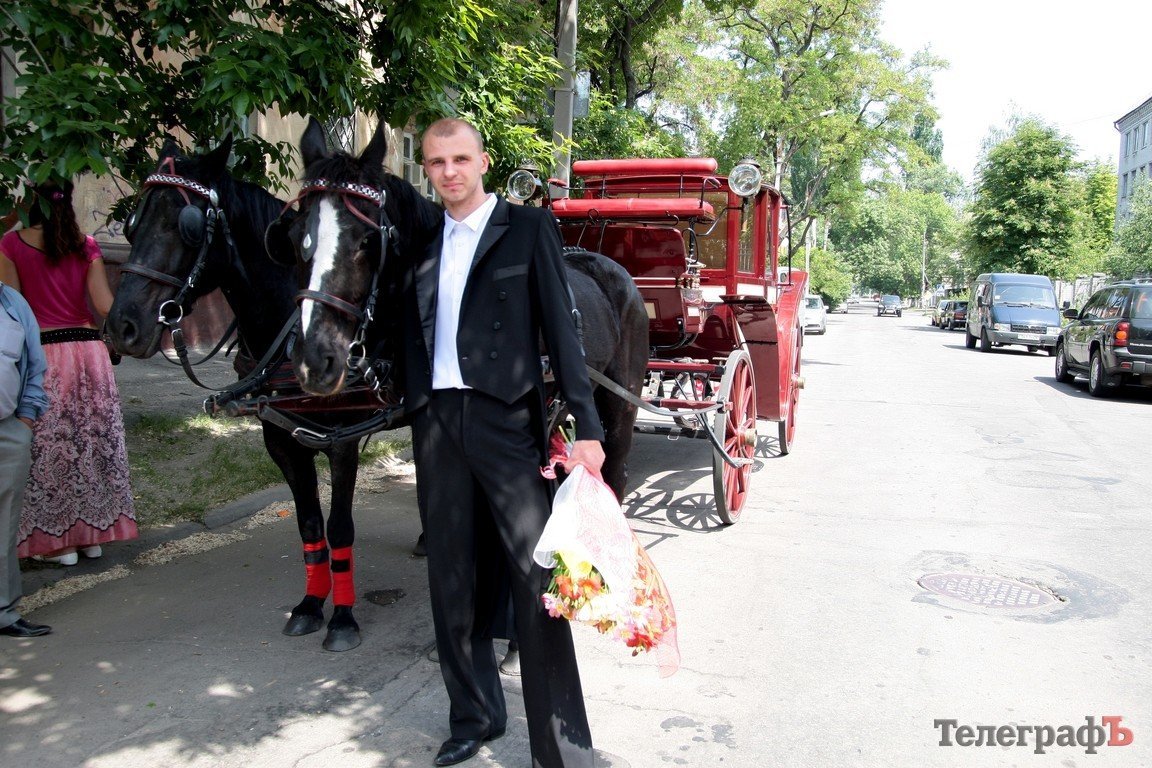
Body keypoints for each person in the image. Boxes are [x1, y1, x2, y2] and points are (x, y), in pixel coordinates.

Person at [402, 117, 604, 768]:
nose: (450, 172)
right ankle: (476, 716)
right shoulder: (422, 238)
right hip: (437, 422)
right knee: (450, 578)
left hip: (504, 419)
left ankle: (559, 744)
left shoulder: (526, 229)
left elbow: (562, 333)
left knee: (535, 573)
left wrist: (588, 427)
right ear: (427, 169)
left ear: (483, 161)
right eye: (436, 162)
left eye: (461, 158)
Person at [0, 181, 137, 566]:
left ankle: (57, 544)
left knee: (49, 450)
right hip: (88, 353)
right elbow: (104, 304)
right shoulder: (85, 244)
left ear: (30, 201)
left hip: (43, 355)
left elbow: (15, 311)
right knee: (88, 444)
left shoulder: (11, 245)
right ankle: (91, 537)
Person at [0, 278, 51, 637]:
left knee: (3, 523)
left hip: (8, 429)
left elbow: (35, 365)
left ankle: (3, 612)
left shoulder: (12, 303)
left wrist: (26, 421)